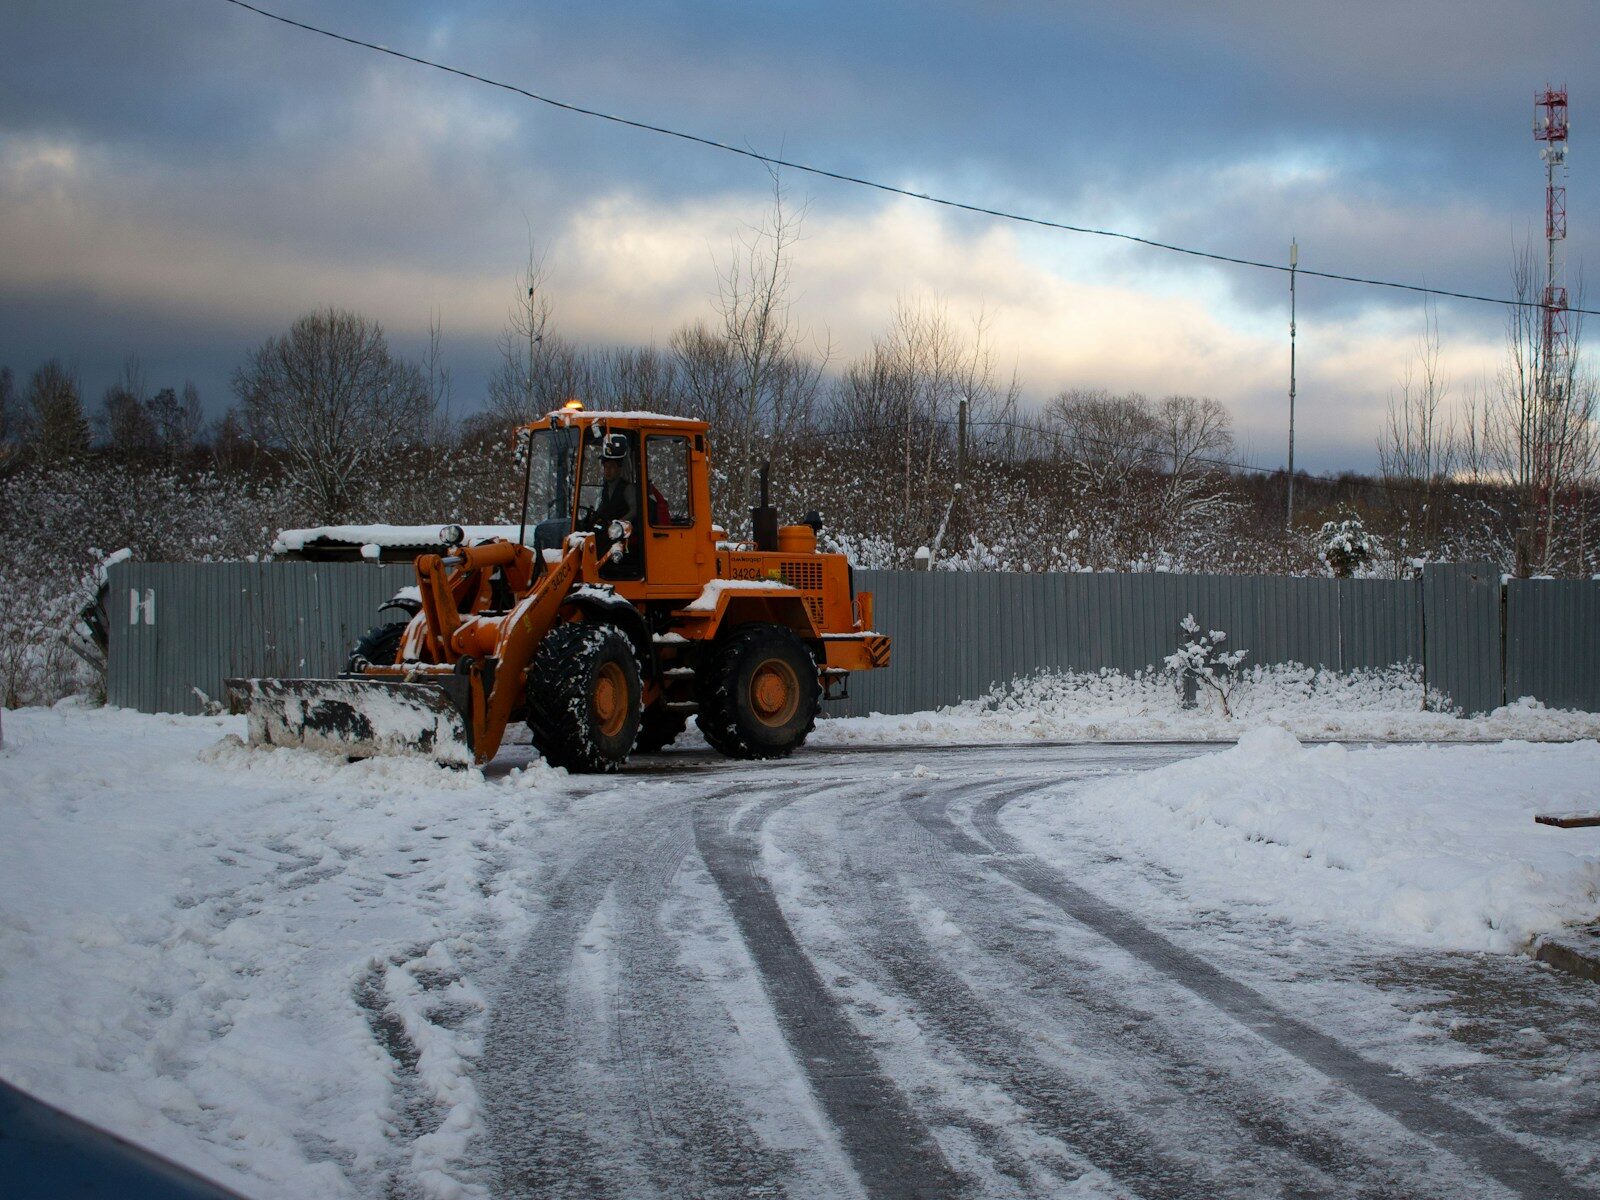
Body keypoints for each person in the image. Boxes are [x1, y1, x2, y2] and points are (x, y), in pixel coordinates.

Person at [593, 433, 640, 573]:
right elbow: (603, 508)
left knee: (601, 543)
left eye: (611, 467)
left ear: (619, 469)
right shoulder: (606, 488)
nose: (607, 471)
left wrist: (618, 523)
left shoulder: (626, 488)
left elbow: (635, 510)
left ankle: (603, 571)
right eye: (606, 467)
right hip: (609, 530)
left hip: (622, 534)